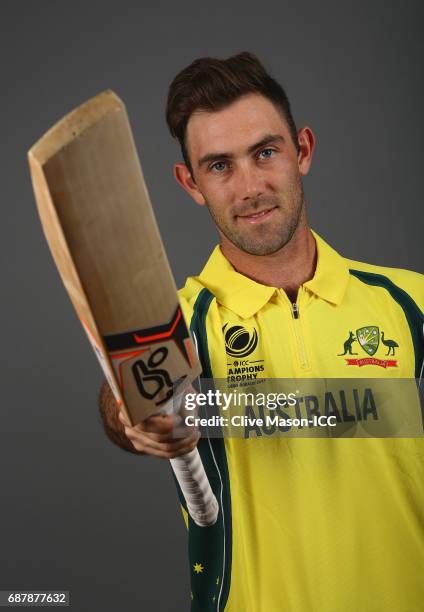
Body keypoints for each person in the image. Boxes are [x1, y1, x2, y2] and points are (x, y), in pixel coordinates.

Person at [99, 52, 424, 611]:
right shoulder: (180, 323)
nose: (249, 186)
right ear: (191, 183)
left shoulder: (410, 303)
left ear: (303, 151)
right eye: (220, 166)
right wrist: (134, 415)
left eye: (265, 153)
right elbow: (128, 396)